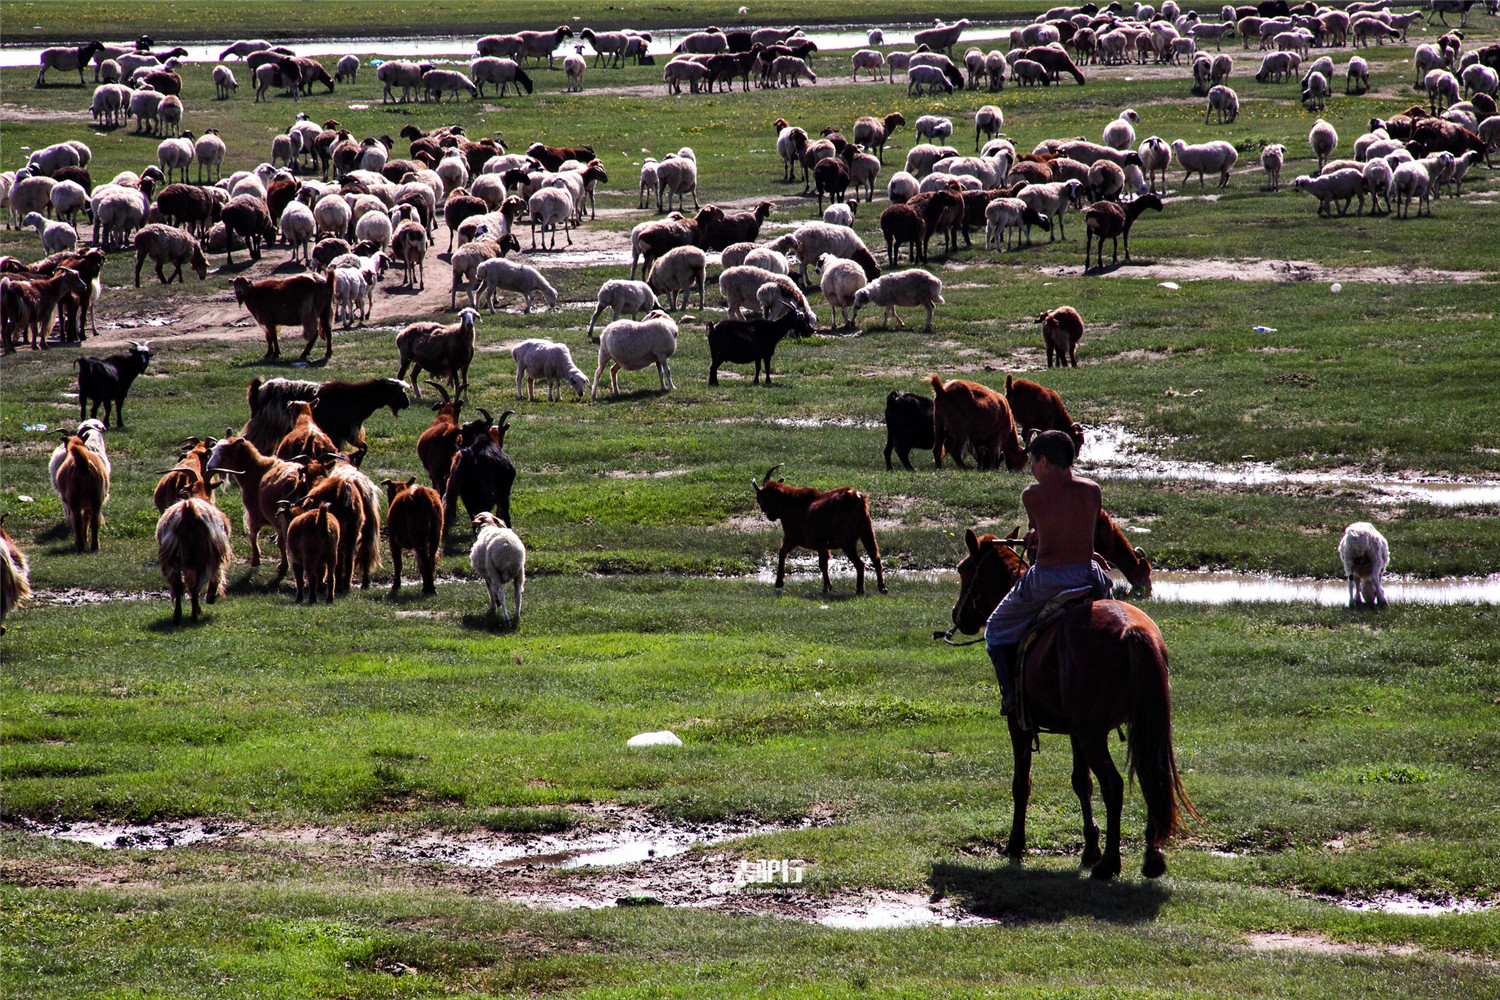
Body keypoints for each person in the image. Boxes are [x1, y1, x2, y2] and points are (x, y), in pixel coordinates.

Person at [985, 429, 1114, 716]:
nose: (1030, 468)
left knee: (995, 629)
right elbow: (1076, 531)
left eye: (1032, 461)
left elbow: (1048, 532)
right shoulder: (1093, 490)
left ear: (1043, 461)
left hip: (1048, 578)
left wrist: (1035, 534)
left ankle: (1011, 697)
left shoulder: (1032, 495)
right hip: (1087, 573)